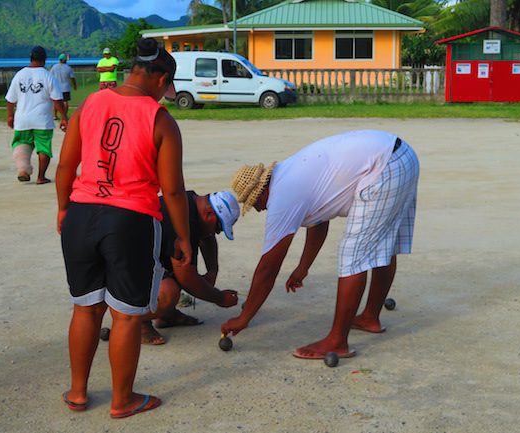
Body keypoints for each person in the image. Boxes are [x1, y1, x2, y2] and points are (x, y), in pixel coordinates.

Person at [56, 37, 188, 419]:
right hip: (130, 220)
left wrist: (64, 208)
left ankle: (78, 392)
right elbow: (174, 190)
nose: (166, 94)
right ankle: (122, 400)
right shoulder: (160, 119)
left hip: (81, 214)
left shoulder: (90, 103)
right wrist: (180, 236)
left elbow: (66, 167)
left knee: (85, 309)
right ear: (161, 78)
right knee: (126, 316)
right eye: (168, 87)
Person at [221, 130, 420, 360]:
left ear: (262, 192)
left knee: (352, 256)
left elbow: (269, 267)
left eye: (255, 203)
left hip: (383, 164)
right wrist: (303, 267)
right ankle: (369, 317)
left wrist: (244, 317)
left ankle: (337, 342)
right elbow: (319, 220)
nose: (258, 209)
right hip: (400, 155)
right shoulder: (290, 174)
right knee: (381, 243)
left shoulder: (282, 195)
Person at [140, 190, 241, 345]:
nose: (217, 232)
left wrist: (212, 271)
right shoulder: (183, 218)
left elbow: (207, 237)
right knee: (169, 292)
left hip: (150, 256)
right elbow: (187, 278)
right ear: (208, 213)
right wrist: (219, 298)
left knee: (180, 267)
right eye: (219, 227)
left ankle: (166, 314)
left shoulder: (193, 205)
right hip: (128, 262)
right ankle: (137, 320)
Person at [6, 45, 68, 184]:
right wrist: (64, 118)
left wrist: (10, 116)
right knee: (43, 148)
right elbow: (57, 100)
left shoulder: (19, 75)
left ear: (31, 58)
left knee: (22, 143)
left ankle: (23, 168)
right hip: (42, 120)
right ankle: (41, 177)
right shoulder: (48, 76)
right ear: (44, 60)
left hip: (22, 119)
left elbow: (10, 100)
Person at [50, 53, 77, 119]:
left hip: (57, 87)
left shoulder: (54, 67)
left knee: (56, 101)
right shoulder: (68, 68)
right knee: (65, 102)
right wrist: (74, 85)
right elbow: (72, 78)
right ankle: (64, 115)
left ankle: (54, 115)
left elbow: (50, 76)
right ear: (65, 60)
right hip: (66, 87)